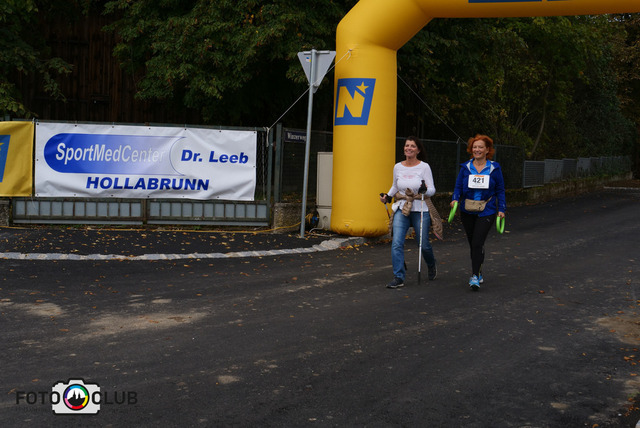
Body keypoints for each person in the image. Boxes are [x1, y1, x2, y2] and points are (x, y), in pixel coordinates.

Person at [450, 134, 506, 291]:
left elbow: (500, 190)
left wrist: (501, 209)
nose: (477, 150)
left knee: (477, 243)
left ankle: (474, 276)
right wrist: (455, 199)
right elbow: (458, 187)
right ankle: (478, 271)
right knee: (473, 244)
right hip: (467, 209)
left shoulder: (494, 168)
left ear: (487, 150)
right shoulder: (465, 167)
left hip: (487, 210)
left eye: (480, 147)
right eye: (475, 147)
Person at [380, 136, 437, 289]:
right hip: (402, 207)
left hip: (420, 208)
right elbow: (395, 185)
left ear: (418, 150)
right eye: (407, 146)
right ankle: (399, 277)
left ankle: (431, 264)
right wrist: (388, 196)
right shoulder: (398, 167)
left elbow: (432, 189)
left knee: (423, 244)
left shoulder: (424, 167)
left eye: (412, 146)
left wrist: (425, 190)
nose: (409, 148)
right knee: (396, 243)